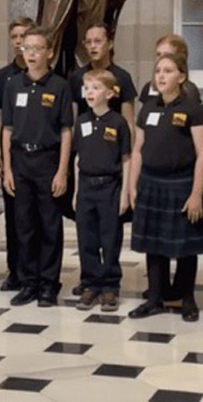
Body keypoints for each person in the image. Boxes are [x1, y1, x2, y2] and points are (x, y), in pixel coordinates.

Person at [127, 54, 203, 320]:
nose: (161, 76)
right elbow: (138, 149)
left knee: (185, 246)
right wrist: (132, 185)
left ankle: (187, 299)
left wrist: (196, 193)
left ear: (182, 76)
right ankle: (155, 297)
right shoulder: (149, 109)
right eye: (158, 71)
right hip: (152, 183)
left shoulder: (192, 109)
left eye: (168, 71)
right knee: (154, 246)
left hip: (182, 183)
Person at [1, 27, 73, 307]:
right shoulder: (13, 84)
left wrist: (62, 170)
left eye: (37, 48)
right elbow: (7, 128)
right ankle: (28, 282)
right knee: (24, 226)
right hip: (20, 161)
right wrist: (7, 168)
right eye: (27, 48)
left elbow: (66, 130)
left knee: (49, 226)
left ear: (49, 52)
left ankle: (48, 284)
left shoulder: (59, 86)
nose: (31, 53)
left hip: (48, 161)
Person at [72, 69, 131, 312]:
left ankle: (110, 286)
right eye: (87, 88)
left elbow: (126, 158)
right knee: (87, 238)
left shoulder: (118, 123)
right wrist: (76, 191)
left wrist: (125, 193)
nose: (89, 93)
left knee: (109, 238)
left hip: (110, 187)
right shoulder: (82, 121)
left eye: (95, 88)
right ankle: (90, 284)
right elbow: (78, 157)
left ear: (109, 93)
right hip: (86, 185)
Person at [0, 17, 33, 292]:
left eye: (24, 36)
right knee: (13, 217)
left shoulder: (44, 74)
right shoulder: (4, 76)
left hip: (38, 155)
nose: (19, 42)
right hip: (12, 154)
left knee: (34, 220)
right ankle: (14, 271)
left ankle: (35, 271)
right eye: (15, 36)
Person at [138, 34, 202, 104]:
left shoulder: (189, 90)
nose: (161, 59)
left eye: (166, 55)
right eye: (158, 54)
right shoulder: (148, 87)